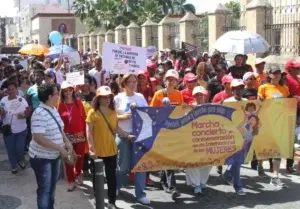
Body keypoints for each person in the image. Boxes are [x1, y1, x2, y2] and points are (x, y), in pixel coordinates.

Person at [86, 86, 133, 209]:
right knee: (97, 179)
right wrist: (91, 149)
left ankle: (112, 202)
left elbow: (116, 128)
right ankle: (98, 200)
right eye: (104, 97)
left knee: (112, 178)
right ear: (98, 98)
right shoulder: (92, 112)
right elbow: (89, 132)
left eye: (109, 97)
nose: (107, 99)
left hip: (111, 150)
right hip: (97, 151)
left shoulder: (113, 112)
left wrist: (127, 136)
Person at [29, 83, 73, 209]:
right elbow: (38, 138)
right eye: (56, 94)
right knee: (45, 189)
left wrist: (66, 142)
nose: (59, 96)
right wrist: (60, 148)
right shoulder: (39, 113)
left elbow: (60, 128)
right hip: (42, 158)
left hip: (54, 156)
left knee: (52, 187)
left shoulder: (53, 109)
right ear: (49, 96)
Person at [114, 74, 150, 205]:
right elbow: (112, 117)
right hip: (123, 136)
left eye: (135, 81)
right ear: (124, 83)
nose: (133, 84)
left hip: (139, 137)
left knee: (140, 167)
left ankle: (140, 194)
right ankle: (116, 187)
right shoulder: (118, 98)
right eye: (130, 82)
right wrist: (124, 116)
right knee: (122, 167)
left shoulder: (140, 97)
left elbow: (148, 113)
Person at [150, 69, 183, 199]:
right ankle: (172, 187)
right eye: (169, 79)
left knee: (167, 158)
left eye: (173, 80)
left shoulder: (179, 94)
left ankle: (164, 182)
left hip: (173, 130)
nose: (171, 81)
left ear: (177, 82)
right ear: (165, 81)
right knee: (168, 158)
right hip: (161, 130)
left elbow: (179, 111)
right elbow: (151, 111)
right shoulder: (159, 94)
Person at [258, 65, 290, 188]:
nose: (277, 75)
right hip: (267, 122)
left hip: (280, 123)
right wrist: (260, 100)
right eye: (274, 73)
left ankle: (275, 176)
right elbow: (259, 103)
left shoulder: (285, 89)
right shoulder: (263, 87)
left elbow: (287, 105)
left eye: (279, 73)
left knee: (278, 149)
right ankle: (260, 165)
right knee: (264, 147)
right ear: (269, 74)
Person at [57, 81, 87, 191]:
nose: (68, 92)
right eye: (65, 90)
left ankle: (78, 173)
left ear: (73, 90)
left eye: (70, 89)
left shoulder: (78, 102)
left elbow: (84, 118)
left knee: (79, 158)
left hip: (79, 135)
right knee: (68, 159)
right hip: (67, 137)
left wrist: (86, 134)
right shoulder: (59, 105)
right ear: (62, 92)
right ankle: (70, 180)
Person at [222, 79, 248, 196]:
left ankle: (227, 173)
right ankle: (238, 186)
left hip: (243, 136)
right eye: (236, 88)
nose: (239, 90)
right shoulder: (227, 102)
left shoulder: (247, 102)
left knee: (238, 160)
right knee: (237, 162)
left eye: (241, 88)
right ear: (232, 90)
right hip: (230, 136)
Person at [185, 86, 212, 194]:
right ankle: (196, 184)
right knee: (194, 162)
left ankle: (202, 182)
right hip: (193, 139)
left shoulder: (210, 107)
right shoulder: (188, 108)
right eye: (197, 95)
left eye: (201, 94)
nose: (199, 96)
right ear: (194, 96)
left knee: (208, 161)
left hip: (207, 139)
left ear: (205, 96)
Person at [0, 82, 29, 174]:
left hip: (22, 129)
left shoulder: (22, 100)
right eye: (9, 89)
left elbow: (28, 112)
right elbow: (1, 113)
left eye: (13, 89)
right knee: (10, 149)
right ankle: (13, 165)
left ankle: (20, 159)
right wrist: (2, 113)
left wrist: (24, 115)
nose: (11, 91)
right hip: (9, 130)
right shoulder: (3, 101)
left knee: (20, 149)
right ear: (7, 91)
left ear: (17, 90)